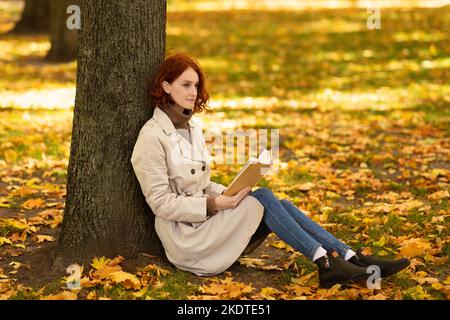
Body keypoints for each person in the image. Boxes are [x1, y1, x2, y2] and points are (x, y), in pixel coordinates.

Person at [131, 53, 410, 289]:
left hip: (208, 224)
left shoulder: (193, 128)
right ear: (166, 86)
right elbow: (160, 203)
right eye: (186, 85)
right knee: (264, 197)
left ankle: (349, 258)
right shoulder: (152, 136)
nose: (193, 92)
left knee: (279, 203)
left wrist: (232, 192)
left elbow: (201, 183)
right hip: (187, 240)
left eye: (196, 85)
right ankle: (327, 262)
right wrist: (215, 203)